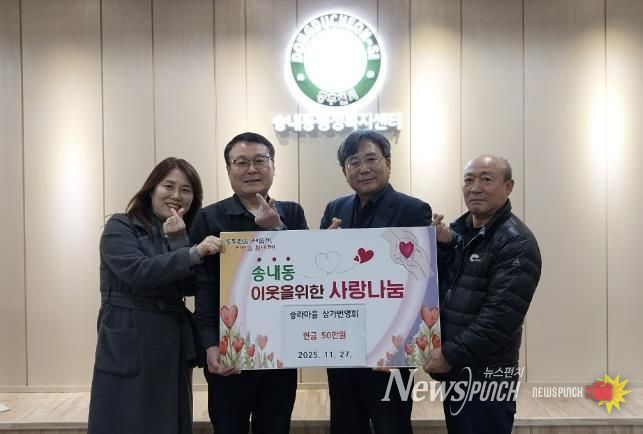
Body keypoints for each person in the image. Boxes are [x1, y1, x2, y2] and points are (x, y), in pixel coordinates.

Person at [88, 157, 222, 434]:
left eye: (185, 189)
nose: (176, 195)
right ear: (151, 189)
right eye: (168, 186)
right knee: (122, 415)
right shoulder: (120, 226)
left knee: (168, 418)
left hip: (170, 336)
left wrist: (179, 241)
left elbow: (190, 286)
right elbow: (138, 272)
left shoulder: (185, 232)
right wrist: (193, 252)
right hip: (129, 331)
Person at [191, 132, 308, 434]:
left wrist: (277, 228)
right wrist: (209, 344)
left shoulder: (292, 213)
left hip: (280, 350)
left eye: (260, 161)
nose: (252, 169)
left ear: (273, 166)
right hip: (229, 351)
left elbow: (306, 277)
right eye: (241, 162)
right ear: (229, 169)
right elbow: (204, 289)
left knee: (276, 426)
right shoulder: (208, 218)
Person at [320, 129, 432, 434]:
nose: (363, 168)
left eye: (371, 159)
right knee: (345, 424)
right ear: (344, 172)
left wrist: (402, 348)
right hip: (343, 344)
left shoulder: (413, 210)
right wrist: (323, 248)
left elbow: (422, 284)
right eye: (354, 162)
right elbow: (323, 277)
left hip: (391, 349)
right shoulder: (335, 210)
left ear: (388, 163)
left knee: (392, 425)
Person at [425, 155, 542, 434]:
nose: (475, 187)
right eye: (469, 180)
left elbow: (499, 318)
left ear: (508, 186)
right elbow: (448, 291)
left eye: (486, 179)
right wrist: (443, 248)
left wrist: (449, 354)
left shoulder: (516, 241)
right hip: (459, 370)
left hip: (488, 376)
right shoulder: (459, 233)